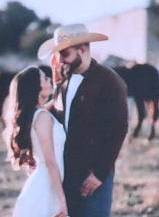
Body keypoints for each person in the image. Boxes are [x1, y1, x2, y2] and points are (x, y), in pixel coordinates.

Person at [39, 26, 129, 217]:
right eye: (58, 54)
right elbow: (60, 113)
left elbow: (118, 129)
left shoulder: (109, 81)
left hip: (93, 174)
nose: (60, 59)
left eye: (65, 53)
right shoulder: (63, 79)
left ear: (82, 49)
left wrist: (100, 173)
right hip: (67, 172)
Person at [7, 63, 66, 217]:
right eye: (45, 78)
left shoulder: (39, 114)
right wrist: (62, 200)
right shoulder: (43, 117)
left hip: (47, 183)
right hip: (46, 186)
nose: (50, 80)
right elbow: (50, 162)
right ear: (37, 88)